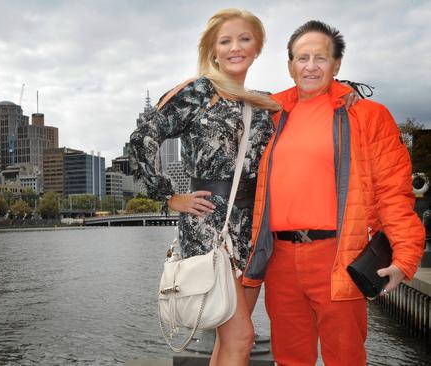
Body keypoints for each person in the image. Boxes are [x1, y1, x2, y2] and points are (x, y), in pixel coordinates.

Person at [241, 20, 426, 365]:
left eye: (320, 58)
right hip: (279, 257)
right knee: (290, 357)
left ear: (337, 64)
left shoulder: (368, 116)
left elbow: (393, 191)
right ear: (290, 66)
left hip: (338, 255)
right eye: (302, 58)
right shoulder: (271, 115)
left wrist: (405, 258)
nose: (310, 66)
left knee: (345, 357)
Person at [129, 8, 281, 365]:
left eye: (244, 39)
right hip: (211, 224)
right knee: (242, 336)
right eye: (225, 41)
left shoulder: (262, 103)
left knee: (227, 338)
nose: (235, 47)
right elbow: (141, 140)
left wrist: (347, 96)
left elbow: (312, 102)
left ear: (257, 46)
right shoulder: (198, 91)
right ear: (212, 49)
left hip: (253, 226)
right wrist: (168, 196)